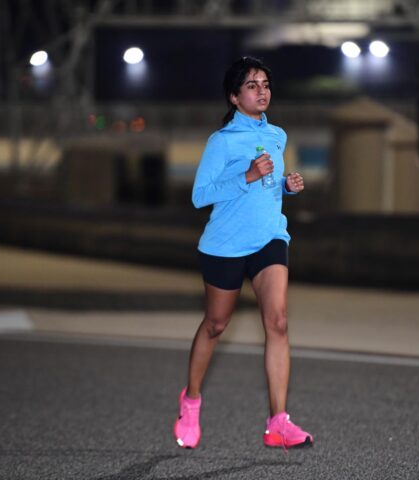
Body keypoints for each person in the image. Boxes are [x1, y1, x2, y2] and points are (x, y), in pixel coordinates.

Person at [173, 56, 313, 450]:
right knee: (216, 325)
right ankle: (191, 401)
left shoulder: (277, 135)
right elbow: (200, 196)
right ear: (234, 97)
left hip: (269, 237)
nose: (261, 91)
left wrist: (285, 186)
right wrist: (246, 175)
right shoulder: (221, 142)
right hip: (226, 244)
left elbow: (266, 188)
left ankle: (277, 422)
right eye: (252, 85)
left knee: (278, 322)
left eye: (265, 84)